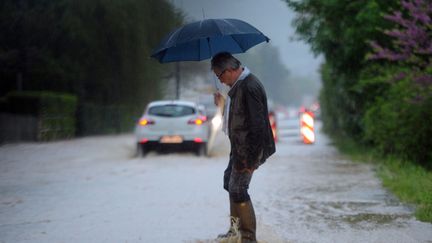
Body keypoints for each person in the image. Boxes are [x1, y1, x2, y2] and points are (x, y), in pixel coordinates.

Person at [212, 52, 275, 242]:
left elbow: (258, 125)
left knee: (238, 189)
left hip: (249, 149)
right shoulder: (239, 86)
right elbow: (235, 118)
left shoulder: (249, 86)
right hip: (239, 147)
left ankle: (248, 237)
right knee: (228, 183)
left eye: (219, 76)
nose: (220, 81)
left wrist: (251, 160)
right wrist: (221, 105)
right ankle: (235, 231)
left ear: (230, 70)